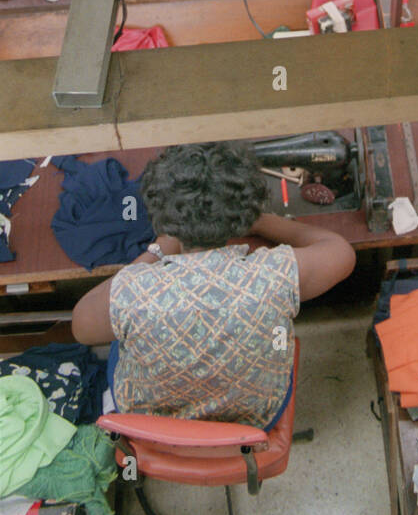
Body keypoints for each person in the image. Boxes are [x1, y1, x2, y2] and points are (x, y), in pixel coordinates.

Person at [71, 143, 356, 429]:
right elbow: (340, 251)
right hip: (253, 418)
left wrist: (158, 249)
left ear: (162, 214)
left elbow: (81, 326)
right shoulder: (274, 275)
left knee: (122, 338)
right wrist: (262, 223)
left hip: (154, 425)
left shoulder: (135, 290)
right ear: (243, 212)